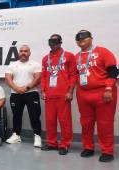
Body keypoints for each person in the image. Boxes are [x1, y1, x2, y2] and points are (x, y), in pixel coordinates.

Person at [74, 30, 118, 162]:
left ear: (91, 38)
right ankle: (88, 147)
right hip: (83, 93)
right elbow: (76, 74)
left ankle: (107, 151)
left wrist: (109, 88)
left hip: (103, 92)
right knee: (85, 122)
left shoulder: (103, 51)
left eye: (84, 38)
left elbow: (113, 71)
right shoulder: (77, 56)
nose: (81, 40)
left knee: (105, 123)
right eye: (78, 39)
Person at [40, 34, 77, 155]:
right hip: (49, 95)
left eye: (55, 42)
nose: (53, 44)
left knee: (65, 121)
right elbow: (44, 76)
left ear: (60, 42)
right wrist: (43, 91)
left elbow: (73, 75)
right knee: (50, 120)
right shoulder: (46, 58)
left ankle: (65, 144)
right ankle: (51, 143)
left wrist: (70, 91)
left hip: (63, 95)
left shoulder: (69, 56)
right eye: (51, 42)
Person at [5, 44, 42, 147]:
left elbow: (38, 78)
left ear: (29, 53)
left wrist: (26, 88)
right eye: (21, 51)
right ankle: (16, 135)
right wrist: (16, 88)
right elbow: (8, 78)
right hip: (15, 94)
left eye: (25, 51)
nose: (23, 53)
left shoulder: (35, 64)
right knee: (16, 116)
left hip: (31, 93)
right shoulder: (12, 65)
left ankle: (37, 136)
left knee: (34, 115)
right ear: (18, 53)